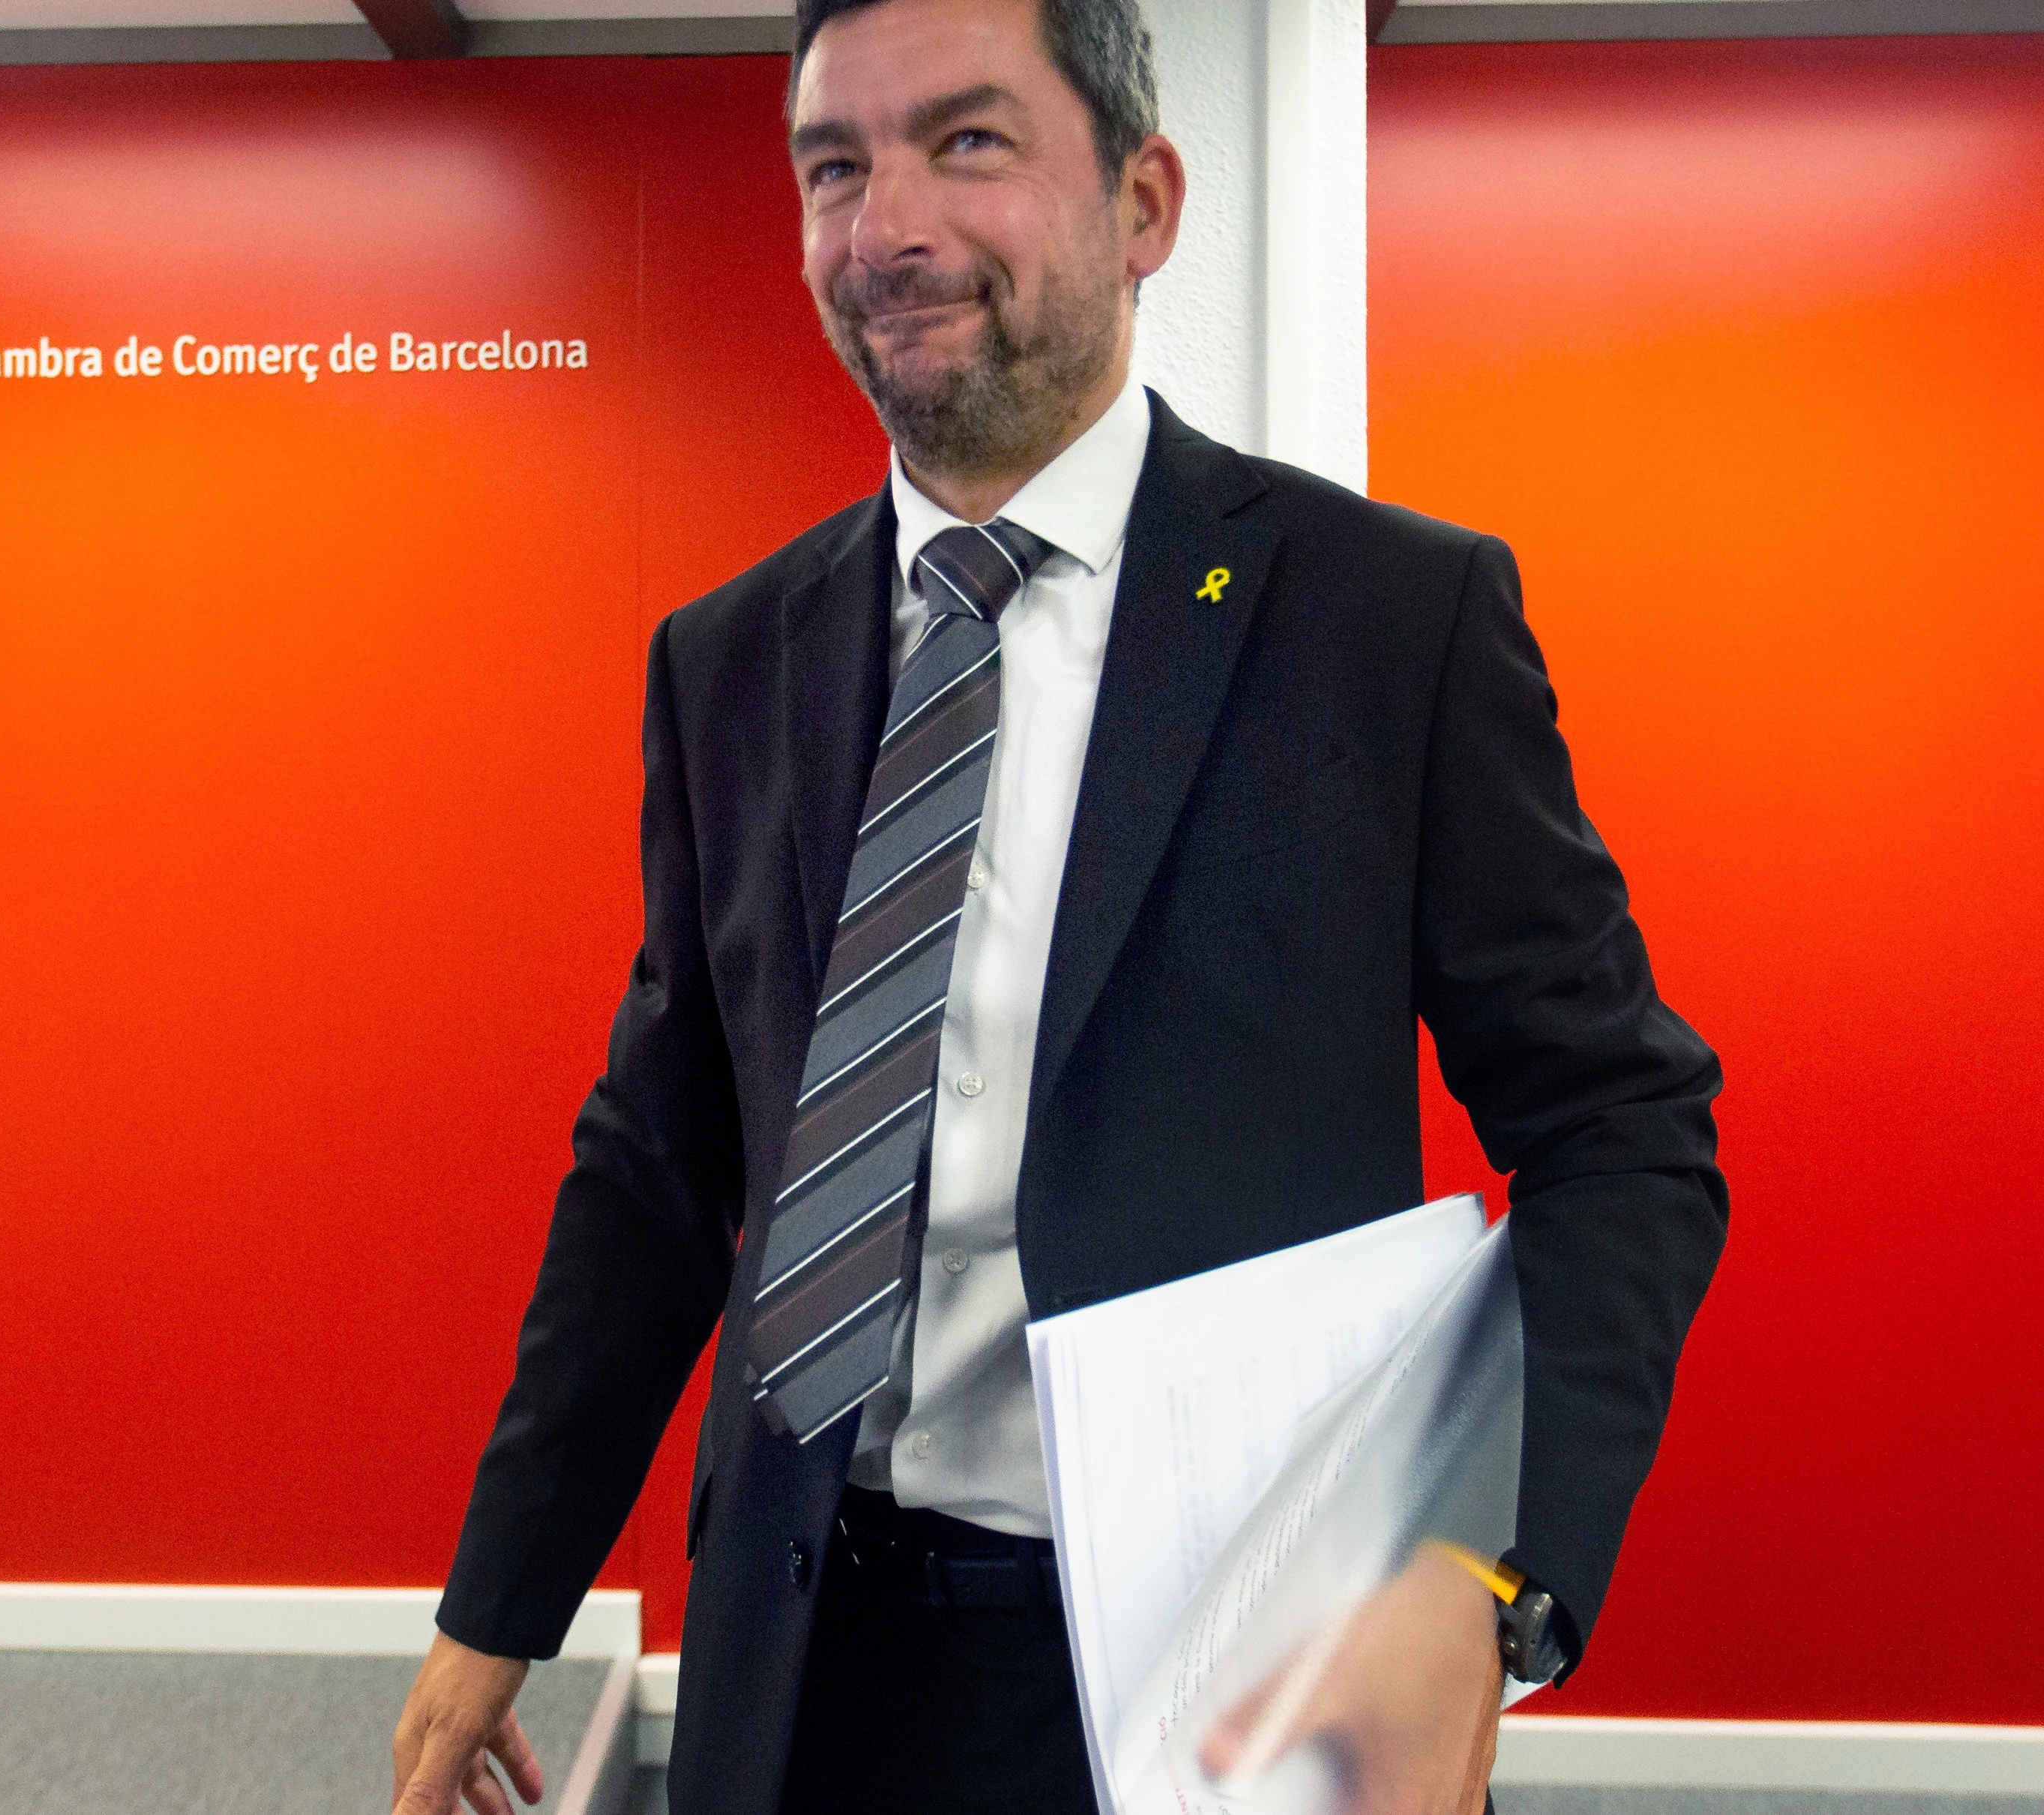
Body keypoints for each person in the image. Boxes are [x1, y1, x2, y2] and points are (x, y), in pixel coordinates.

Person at [389, 0, 1727, 1805]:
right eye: (834, 166)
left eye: (970, 143)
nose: (887, 228)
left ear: (1146, 200)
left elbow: (1620, 1124)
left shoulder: (1383, 625)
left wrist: (1481, 1565)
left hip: (1229, 1664)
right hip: (802, 1661)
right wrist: (503, 1598)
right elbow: (661, 1158)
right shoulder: (730, 660)